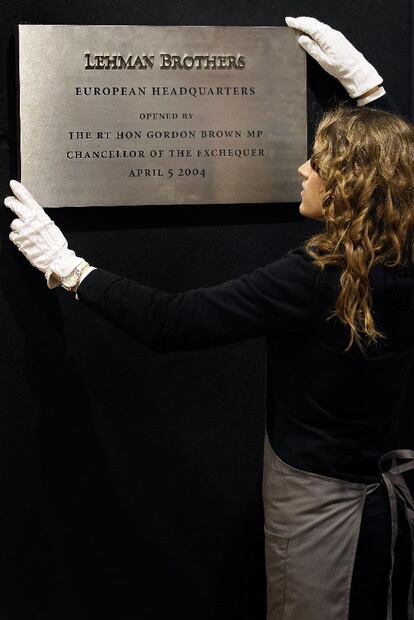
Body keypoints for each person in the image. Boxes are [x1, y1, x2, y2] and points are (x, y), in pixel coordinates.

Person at [4, 16, 414, 620]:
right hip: (379, 476)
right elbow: (398, 171)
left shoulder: (317, 277)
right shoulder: (402, 248)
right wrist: (372, 93)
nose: (302, 170)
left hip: (318, 496)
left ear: (348, 188)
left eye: (318, 164)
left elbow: (175, 322)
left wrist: (70, 269)